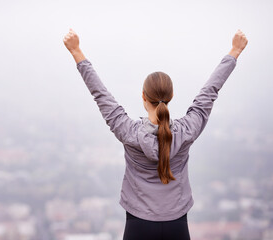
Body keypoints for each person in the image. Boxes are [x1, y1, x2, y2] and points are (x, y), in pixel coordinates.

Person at [63, 29, 248, 240]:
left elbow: (101, 95)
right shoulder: (186, 131)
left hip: (137, 226)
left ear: (143, 96)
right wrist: (234, 51)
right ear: (172, 96)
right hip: (177, 224)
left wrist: (76, 51)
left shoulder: (128, 132)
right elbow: (209, 92)